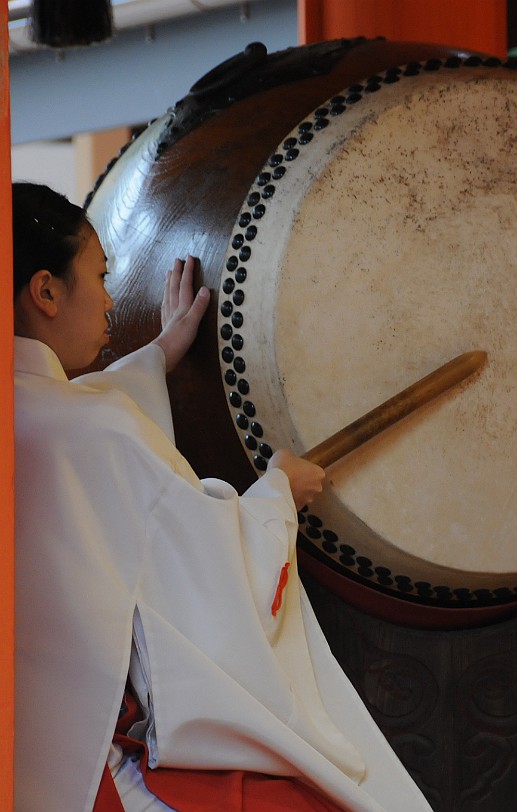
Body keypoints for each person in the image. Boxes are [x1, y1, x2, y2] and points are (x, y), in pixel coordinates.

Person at [12, 183, 432, 812]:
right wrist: (275, 498)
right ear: (45, 291)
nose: (108, 300)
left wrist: (155, 357)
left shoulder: (34, 414)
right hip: (88, 769)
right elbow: (216, 587)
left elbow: (76, 419)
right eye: (98, 276)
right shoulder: (93, 430)